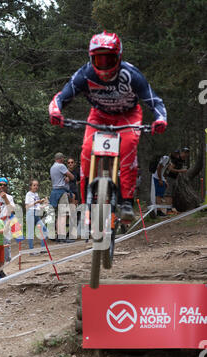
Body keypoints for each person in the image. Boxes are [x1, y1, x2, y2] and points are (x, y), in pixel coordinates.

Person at [49, 31, 167, 221]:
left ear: (119, 58)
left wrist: (160, 119)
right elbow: (61, 96)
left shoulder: (131, 74)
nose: (104, 65)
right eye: (98, 59)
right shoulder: (85, 74)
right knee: (87, 150)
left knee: (128, 148)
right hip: (99, 116)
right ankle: (87, 200)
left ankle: (127, 202)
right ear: (91, 58)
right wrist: (55, 112)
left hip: (127, 116)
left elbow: (155, 100)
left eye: (109, 59)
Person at [49, 152, 75, 242]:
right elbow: (72, 177)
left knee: (58, 216)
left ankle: (59, 236)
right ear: (60, 159)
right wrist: (68, 177)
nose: (64, 160)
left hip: (54, 192)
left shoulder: (52, 167)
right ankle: (62, 237)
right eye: (63, 159)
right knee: (63, 215)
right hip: (61, 192)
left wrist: (64, 177)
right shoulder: (61, 166)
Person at [25, 179, 48, 254]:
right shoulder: (28, 194)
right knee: (31, 232)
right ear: (30, 186)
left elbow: (39, 207)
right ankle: (31, 250)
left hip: (36, 214)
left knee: (45, 230)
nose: (36, 187)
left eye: (37, 185)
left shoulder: (36, 194)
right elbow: (27, 206)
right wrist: (36, 202)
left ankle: (43, 249)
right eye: (34, 185)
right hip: (30, 213)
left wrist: (45, 204)